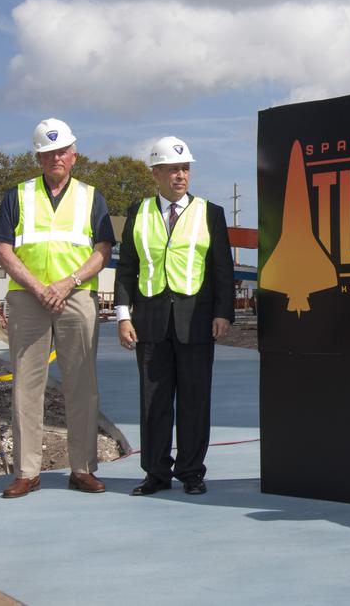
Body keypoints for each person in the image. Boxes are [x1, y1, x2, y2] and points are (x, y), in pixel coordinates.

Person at [0, 118, 115, 499]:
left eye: (62, 151)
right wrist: (38, 287)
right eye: (48, 152)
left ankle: (82, 469)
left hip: (75, 296)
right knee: (26, 387)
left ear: (74, 156)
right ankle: (27, 471)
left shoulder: (92, 197)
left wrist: (67, 283)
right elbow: (2, 248)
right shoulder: (17, 195)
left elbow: (103, 251)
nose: (56, 158)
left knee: (82, 385)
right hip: (29, 299)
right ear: (39, 157)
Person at [114, 136, 234, 497]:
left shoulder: (210, 212)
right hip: (149, 320)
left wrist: (223, 313)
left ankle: (192, 472)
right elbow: (127, 268)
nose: (180, 176)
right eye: (172, 169)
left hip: (196, 319)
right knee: (153, 401)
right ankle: (156, 472)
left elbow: (222, 269)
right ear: (156, 173)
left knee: (195, 399)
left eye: (185, 169)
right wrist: (123, 315)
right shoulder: (139, 212)